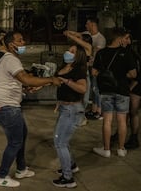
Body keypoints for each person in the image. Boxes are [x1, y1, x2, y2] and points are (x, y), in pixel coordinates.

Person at [0, 31, 62, 187]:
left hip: (8, 105)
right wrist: (50, 79)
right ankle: (1, 175)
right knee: (15, 142)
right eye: (20, 40)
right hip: (7, 107)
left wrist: (25, 89)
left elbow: (15, 81)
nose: (24, 43)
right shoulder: (10, 59)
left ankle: (21, 169)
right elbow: (25, 78)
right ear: (12, 44)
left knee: (22, 136)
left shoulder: (9, 58)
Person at [92, 28, 136, 158]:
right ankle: (121, 149)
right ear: (119, 38)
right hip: (122, 90)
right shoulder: (126, 53)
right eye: (124, 37)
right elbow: (133, 74)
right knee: (122, 121)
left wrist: (105, 75)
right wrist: (122, 75)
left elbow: (94, 72)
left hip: (106, 90)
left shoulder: (101, 53)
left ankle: (106, 150)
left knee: (107, 120)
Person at [52, 44, 87, 188]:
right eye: (69, 50)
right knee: (62, 140)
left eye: (72, 51)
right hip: (64, 107)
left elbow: (82, 88)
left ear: (78, 55)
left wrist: (67, 81)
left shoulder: (78, 70)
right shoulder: (64, 67)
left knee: (60, 142)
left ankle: (68, 178)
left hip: (72, 109)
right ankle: (71, 165)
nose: (68, 52)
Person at [123, 35, 141, 149]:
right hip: (128, 84)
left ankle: (134, 138)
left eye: (127, 38)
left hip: (135, 84)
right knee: (124, 112)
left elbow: (136, 76)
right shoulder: (123, 52)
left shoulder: (131, 54)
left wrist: (129, 89)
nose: (124, 40)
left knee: (133, 112)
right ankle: (121, 133)